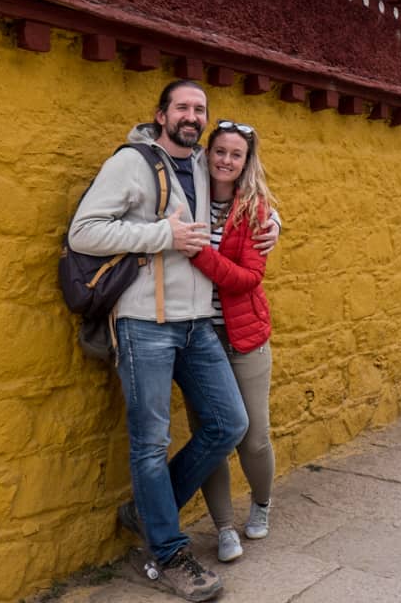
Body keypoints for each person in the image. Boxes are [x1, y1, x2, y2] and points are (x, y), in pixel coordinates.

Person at [68, 80, 276, 602]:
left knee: (230, 422)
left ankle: (146, 512)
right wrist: (162, 236)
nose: (191, 114)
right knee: (150, 443)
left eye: (199, 108)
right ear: (161, 114)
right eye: (182, 106)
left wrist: (273, 222)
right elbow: (84, 232)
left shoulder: (204, 167)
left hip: (197, 323)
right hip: (144, 323)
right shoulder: (133, 162)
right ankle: (167, 552)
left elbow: (242, 190)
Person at [187, 120, 278, 563]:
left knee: (253, 437)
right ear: (207, 154)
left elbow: (247, 279)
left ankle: (261, 503)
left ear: (246, 162)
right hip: (195, 338)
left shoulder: (255, 210)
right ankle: (224, 528)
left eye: (235, 154)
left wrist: (200, 254)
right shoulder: (191, 198)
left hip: (244, 337)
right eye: (219, 151)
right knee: (213, 435)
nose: (225, 160)